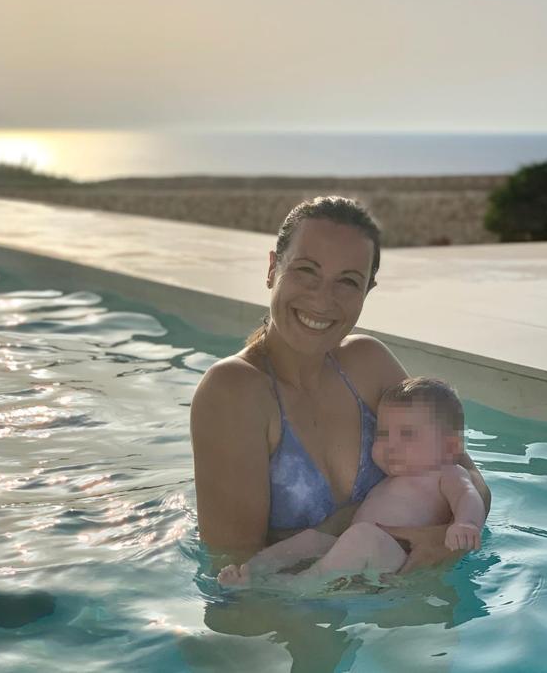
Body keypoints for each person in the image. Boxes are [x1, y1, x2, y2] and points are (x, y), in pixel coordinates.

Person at [190, 196, 491, 575]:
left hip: (403, 602)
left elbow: (471, 478)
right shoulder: (235, 391)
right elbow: (231, 569)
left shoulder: (369, 363)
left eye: (348, 281)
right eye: (306, 270)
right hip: (294, 616)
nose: (323, 298)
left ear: (368, 289)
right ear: (272, 269)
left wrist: (445, 538)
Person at [217, 377, 486, 587]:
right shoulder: (387, 482)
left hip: (397, 561)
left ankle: (295, 588)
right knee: (312, 539)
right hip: (357, 554)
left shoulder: (446, 473)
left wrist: (465, 523)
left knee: (363, 536)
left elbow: (467, 495)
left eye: (407, 434)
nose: (391, 445)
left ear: (450, 447)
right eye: (382, 433)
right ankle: (253, 570)